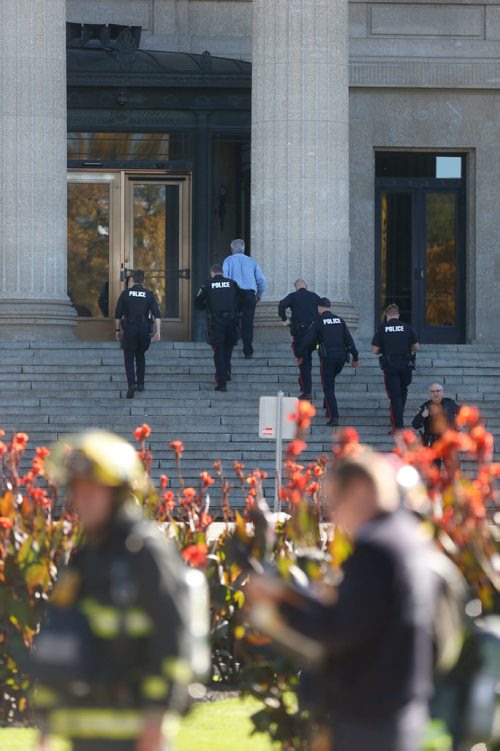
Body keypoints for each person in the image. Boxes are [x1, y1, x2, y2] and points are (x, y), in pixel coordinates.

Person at [246, 450, 436, 751]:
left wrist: (280, 605)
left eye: (337, 502)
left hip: (368, 711)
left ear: (361, 490)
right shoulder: (408, 538)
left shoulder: (375, 548)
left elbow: (341, 629)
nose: (335, 514)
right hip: (398, 703)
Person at [31, 430, 196, 751]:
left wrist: (156, 719)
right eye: (78, 491)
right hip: (85, 735)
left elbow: (172, 640)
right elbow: (62, 640)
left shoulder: (146, 553)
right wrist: (47, 725)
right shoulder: (85, 559)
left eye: (93, 490)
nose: (83, 500)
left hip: (135, 736)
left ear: (119, 493)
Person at [195, 263, 244, 392]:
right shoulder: (232, 283)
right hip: (232, 322)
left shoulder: (207, 284)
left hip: (216, 323)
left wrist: (205, 308)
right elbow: (243, 298)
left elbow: (198, 301)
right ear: (222, 272)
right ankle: (227, 371)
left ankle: (221, 382)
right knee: (228, 349)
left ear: (212, 273)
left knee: (218, 352)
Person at [372, 303, 419, 432]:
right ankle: (398, 418)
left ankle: (398, 426)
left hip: (390, 365)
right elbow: (416, 347)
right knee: (403, 391)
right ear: (398, 315)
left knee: (395, 396)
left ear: (387, 315)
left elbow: (375, 350)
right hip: (406, 364)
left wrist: (385, 348)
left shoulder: (383, 328)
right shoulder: (407, 328)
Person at [115, 270, 161, 400]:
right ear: (143, 281)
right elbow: (157, 314)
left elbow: (117, 315)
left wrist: (117, 331)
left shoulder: (125, 294)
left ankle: (131, 384)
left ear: (132, 280)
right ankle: (140, 383)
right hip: (144, 330)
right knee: (140, 356)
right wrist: (158, 332)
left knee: (129, 358)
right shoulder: (149, 295)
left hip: (129, 330)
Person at [315, 298, 360, 427]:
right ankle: (327, 403)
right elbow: (349, 340)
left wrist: (301, 352)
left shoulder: (319, 321)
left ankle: (334, 416)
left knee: (328, 386)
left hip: (328, 357)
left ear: (319, 307)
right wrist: (355, 356)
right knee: (330, 381)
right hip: (340, 358)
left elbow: (311, 338)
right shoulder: (339, 320)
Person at [222, 239, 266, 359]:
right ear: (243, 249)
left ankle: (231, 346)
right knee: (248, 323)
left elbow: (225, 278)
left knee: (232, 321)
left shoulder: (228, 260)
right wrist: (259, 295)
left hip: (234, 294)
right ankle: (248, 351)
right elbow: (262, 280)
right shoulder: (252, 261)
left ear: (232, 249)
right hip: (249, 294)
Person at [278, 280, 321, 400]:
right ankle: (304, 384)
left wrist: (285, 319)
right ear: (306, 286)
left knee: (303, 361)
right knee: (308, 359)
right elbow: (323, 308)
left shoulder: (293, 296)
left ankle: (307, 390)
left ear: (295, 287)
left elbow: (281, 305)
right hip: (314, 336)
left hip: (300, 336)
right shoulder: (314, 296)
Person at [412, 383, 460, 447]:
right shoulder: (425, 406)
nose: (435, 393)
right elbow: (415, 425)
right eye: (432, 391)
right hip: (432, 443)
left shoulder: (450, 403)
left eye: (438, 391)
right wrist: (422, 416)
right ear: (430, 394)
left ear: (442, 392)